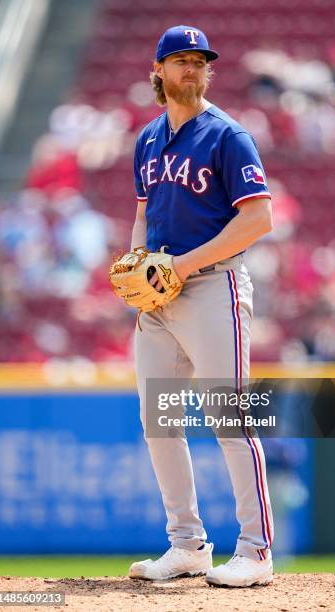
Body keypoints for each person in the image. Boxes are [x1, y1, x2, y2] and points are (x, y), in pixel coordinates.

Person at [128, 25, 274, 587]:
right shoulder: (147, 139)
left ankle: (257, 551)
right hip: (159, 295)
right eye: (181, 59)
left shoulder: (227, 134)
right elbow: (144, 211)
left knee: (230, 420)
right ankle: (187, 545)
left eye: (200, 60)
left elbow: (259, 218)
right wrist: (137, 261)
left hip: (213, 287)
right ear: (159, 69)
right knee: (158, 422)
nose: (193, 68)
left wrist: (182, 266)